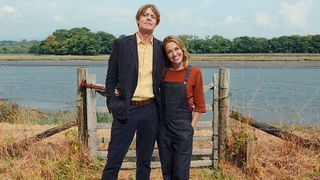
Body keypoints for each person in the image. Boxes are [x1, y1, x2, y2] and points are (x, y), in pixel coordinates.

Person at [102, 4, 165, 180]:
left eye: (152, 16)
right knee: (114, 158)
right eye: (145, 15)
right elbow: (110, 78)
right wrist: (112, 104)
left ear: (156, 23)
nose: (148, 18)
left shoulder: (161, 48)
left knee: (144, 161)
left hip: (150, 110)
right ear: (138, 20)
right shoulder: (121, 44)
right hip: (126, 108)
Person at [157, 35, 206, 180]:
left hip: (183, 131)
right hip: (164, 130)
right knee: (167, 173)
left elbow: (200, 105)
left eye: (176, 49)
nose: (174, 54)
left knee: (181, 173)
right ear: (166, 55)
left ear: (183, 48)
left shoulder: (194, 72)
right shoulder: (163, 72)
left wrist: (191, 127)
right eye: (169, 51)